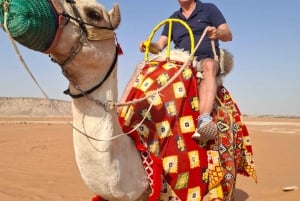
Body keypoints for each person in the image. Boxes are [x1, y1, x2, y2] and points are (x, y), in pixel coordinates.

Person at [138, 0, 232, 143]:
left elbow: (228, 35)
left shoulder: (209, 9)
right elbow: (159, 46)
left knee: (209, 66)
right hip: (181, 63)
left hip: (205, 60)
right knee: (144, 70)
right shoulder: (173, 20)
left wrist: (217, 32)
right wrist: (148, 45)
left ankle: (204, 119)